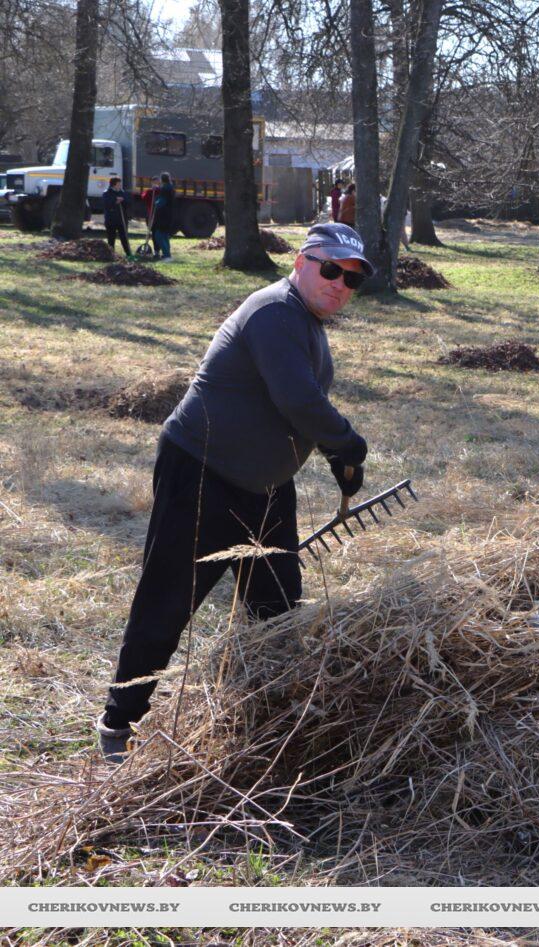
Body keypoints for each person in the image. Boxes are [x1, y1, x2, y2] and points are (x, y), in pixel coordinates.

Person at [96, 223, 375, 764]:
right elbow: (296, 397)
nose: (340, 283)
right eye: (332, 269)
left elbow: (295, 405)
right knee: (169, 601)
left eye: (353, 279)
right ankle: (117, 723)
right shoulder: (274, 311)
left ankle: (267, 725)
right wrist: (349, 443)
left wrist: (333, 453)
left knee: (278, 611)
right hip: (202, 472)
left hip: (265, 487)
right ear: (302, 262)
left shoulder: (307, 322)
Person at [102, 176, 134, 260]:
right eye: (118, 184)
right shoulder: (106, 193)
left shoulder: (122, 192)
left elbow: (129, 203)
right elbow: (106, 205)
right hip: (111, 219)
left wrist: (123, 200)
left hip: (122, 219)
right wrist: (115, 201)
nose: (120, 185)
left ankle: (129, 254)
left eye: (120, 184)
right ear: (114, 185)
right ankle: (111, 255)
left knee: (124, 238)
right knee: (111, 238)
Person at [151, 172, 175, 262]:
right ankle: (168, 254)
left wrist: (155, 202)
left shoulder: (165, 189)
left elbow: (162, 202)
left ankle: (166, 255)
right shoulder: (170, 187)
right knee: (165, 235)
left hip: (163, 215)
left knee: (158, 235)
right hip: (169, 214)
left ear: (162, 179)